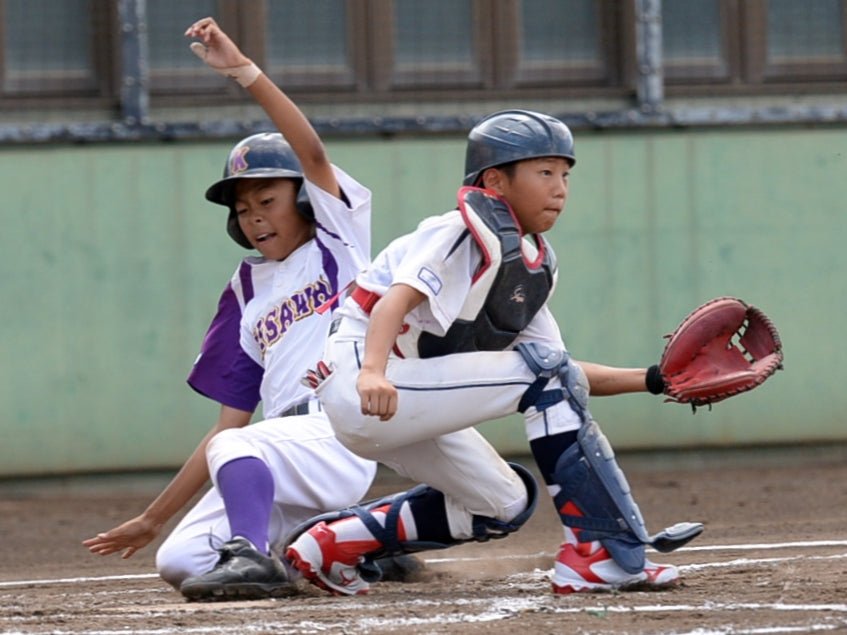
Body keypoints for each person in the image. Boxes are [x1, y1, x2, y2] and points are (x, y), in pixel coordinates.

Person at [283, 109, 703, 596]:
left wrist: (654, 379)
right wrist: (373, 371)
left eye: (564, 174)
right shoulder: (457, 232)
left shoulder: (529, 266)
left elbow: (562, 373)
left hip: (407, 399)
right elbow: (392, 303)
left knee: (502, 502)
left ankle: (332, 544)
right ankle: (599, 553)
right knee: (546, 377)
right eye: (544, 172)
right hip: (364, 382)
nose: (560, 187)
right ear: (495, 182)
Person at [83, 16, 421, 601]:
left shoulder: (336, 244)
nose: (255, 215)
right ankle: (356, 545)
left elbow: (310, 152)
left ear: (305, 201)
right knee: (181, 559)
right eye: (243, 209)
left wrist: (244, 72)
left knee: (236, 451)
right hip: (278, 456)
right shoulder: (245, 291)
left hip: (336, 432)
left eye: (267, 199)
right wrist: (153, 518)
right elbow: (228, 423)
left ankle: (283, 553)